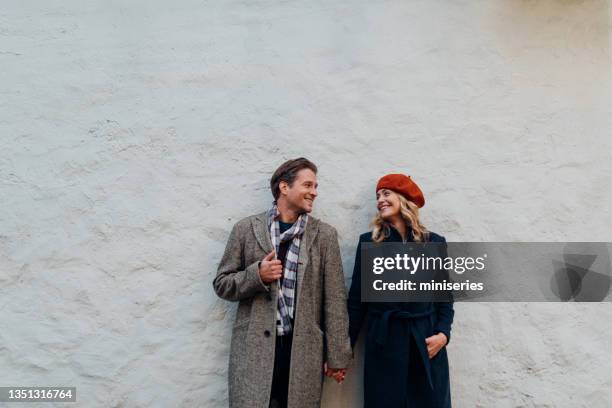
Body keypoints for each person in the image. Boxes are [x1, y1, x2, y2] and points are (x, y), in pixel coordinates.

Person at [213, 158, 351, 408]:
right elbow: (222, 283)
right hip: (254, 351)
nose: (314, 192)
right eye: (308, 185)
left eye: (316, 186)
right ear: (284, 187)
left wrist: (338, 356)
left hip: (302, 350)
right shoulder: (246, 229)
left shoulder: (324, 236)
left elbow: (335, 300)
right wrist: (257, 275)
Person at [347, 173, 455, 408]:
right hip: (384, 343)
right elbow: (356, 302)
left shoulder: (434, 242)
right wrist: (342, 351)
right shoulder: (369, 243)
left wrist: (443, 335)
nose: (380, 200)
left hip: (425, 343)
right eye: (378, 196)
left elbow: (444, 298)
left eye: (386, 193)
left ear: (404, 199)